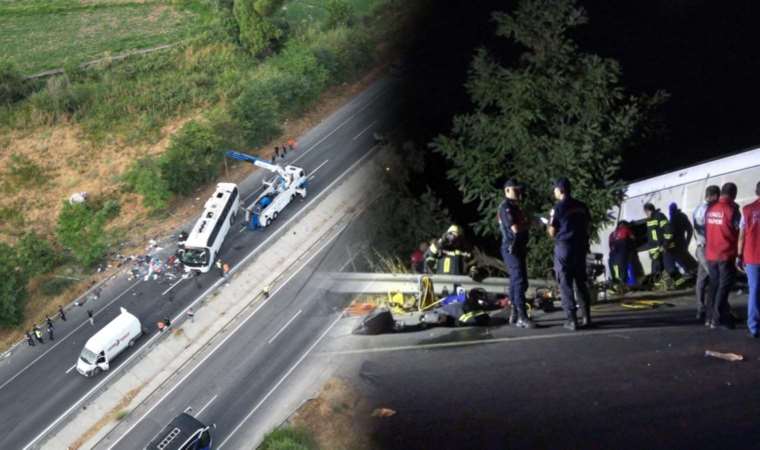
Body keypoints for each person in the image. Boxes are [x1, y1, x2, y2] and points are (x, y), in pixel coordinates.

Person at [548, 178, 592, 330]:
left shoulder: (558, 207)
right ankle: (586, 317)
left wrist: (548, 225)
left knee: (565, 283)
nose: (553, 191)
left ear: (560, 190)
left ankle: (571, 320)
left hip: (564, 247)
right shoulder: (581, 206)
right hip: (580, 247)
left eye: (554, 189)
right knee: (581, 282)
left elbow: (552, 232)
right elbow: (588, 225)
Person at [497, 179, 535, 328]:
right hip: (510, 247)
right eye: (515, 190)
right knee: (518, 280)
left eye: (519, 190)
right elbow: (515, 229)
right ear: (507, 191)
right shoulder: (506, 207)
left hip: (518, 247)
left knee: (519, 281)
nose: (519, 192)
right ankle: (522, 316)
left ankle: (514, 312)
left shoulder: (515, 207)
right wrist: (530, 224)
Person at [705, 182, 741, 329]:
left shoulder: (710, 209)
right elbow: (740, 230)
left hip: (711, 254)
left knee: (714, 285)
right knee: (724, 287)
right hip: (725, 254)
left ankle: (709, 317)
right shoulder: (732, 210)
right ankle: (718, 318)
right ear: (733, 194)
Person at [692, 185, 721, 322]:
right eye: (718, 197)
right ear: (714, 196)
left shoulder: (699, 208)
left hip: (701, 247)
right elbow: (705, 230)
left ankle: (700, 309)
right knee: (715, 277)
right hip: (705, 248)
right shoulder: (704, 210)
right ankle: (718, 309)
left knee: (701, 280)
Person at [739, 180, 760, 337]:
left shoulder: (747, 210)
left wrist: (739, 255)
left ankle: (753, 326)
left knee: (754, 290)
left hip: (752, 256)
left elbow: (741, 236)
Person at [643, 203, 679, 288]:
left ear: (648, 210)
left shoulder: (659, 216)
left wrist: (665, 244)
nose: (645, 214)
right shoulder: (649, 220)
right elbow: (651, 235)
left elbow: (668, 230)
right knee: (657, 269)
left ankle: (679, 283)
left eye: (645, 212)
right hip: (656, 249)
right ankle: (662, 285)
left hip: (664, 247)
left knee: (670, 268)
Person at [669, 202, 698, 275]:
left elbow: (689, 230)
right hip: (681, 242)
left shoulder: (674, 218)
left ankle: (694, 273)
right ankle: (695, 271)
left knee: (684, 260)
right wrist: (687, 242)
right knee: (686, 259)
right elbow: (690, 230)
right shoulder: (682, 216)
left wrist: (687, 242)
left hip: (677, 243)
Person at [608, 220, 635, 287]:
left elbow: (610, 245)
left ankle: (616, 284)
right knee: (623, 268)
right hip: (621, 253)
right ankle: (624, 284)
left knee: (616, 270)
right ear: (624, 225)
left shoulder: (612, 234)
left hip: (612, 256)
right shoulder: (626, 229)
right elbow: (633, 238)